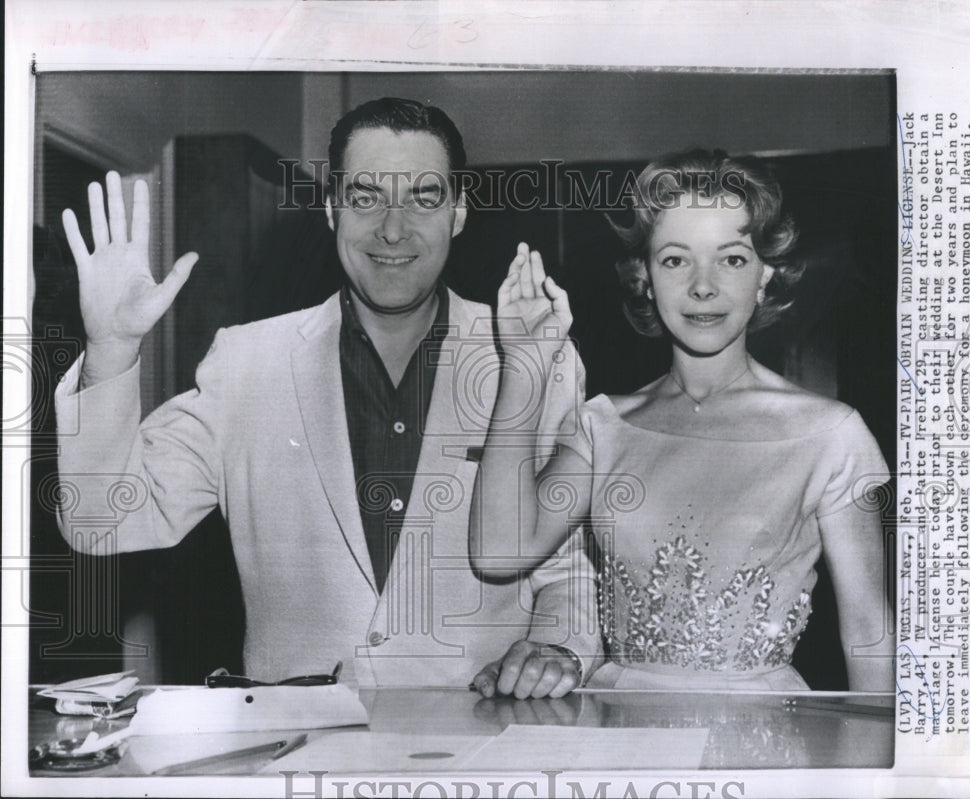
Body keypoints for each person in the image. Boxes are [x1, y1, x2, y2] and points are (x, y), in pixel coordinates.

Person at [54, 97, 600, 698]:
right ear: (331, 208)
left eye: (423, 197)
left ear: (459, 212)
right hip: (297, 758)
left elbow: (566, 568)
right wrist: (110, 348)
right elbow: (98, 522)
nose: (393, 228)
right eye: (366, 196)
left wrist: (554, 648)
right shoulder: (246, 363)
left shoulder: (533, 357)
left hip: (481, 748)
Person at [470, 149, 894, 691]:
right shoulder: (604, 426)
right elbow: (499, 552)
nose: (703, 285)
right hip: (620, 739)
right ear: (644, 276)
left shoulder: (832, 435)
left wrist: (884, 775)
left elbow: (868, 632)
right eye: (675, 259)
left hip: (762, 741)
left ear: (765, 275)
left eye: (732, 259)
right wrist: (525, 366)